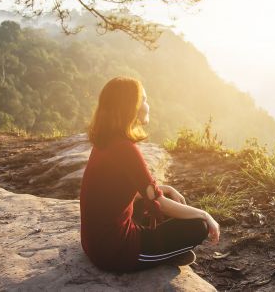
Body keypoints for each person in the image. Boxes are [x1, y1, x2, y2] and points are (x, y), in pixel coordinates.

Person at [80, 76, 220, 273]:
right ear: (130, 107)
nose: (148, 104)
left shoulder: (106, 141)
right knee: (199, 226)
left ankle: (168, 251)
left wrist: (166, 188)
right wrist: (206, 215)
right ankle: (162, 255)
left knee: (158, 203)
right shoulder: (125, 149)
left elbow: (122, 193)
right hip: (117, 253)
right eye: (144, 99)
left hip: (95, 244)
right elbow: (159, 202)